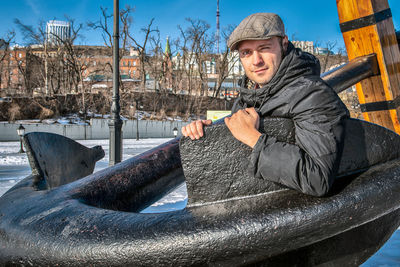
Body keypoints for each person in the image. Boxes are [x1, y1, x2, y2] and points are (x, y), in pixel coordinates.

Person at [181, 13, 349, 197]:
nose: (256, 61)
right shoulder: (246, 98)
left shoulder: (313, 95)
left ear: (284, 44)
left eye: (264, 48)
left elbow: (317, 178)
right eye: (246, 53)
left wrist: (254, 139)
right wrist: (211, 134)